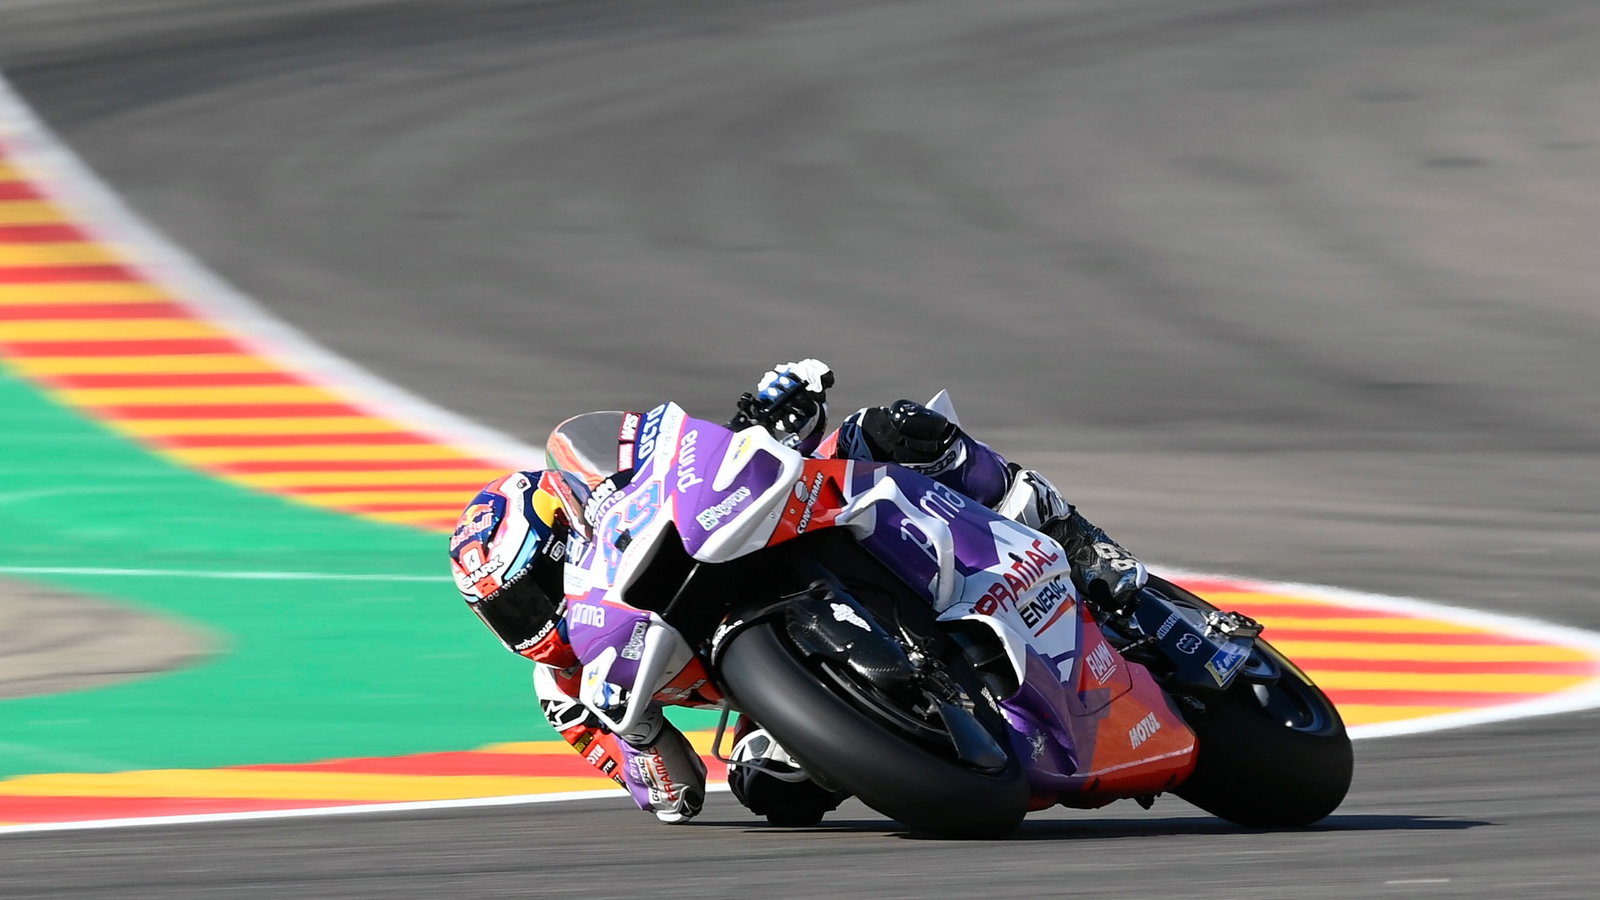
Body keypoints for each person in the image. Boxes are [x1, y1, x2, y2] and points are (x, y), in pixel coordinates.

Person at [447, 360, 1147, 826]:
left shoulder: (612, 501)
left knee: (888, 428)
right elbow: (671, 793)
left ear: (562, 535)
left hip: (775, 538)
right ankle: (910, 738)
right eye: (506, 611)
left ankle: (1074, 535)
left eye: (531, 588)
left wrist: (766, 417)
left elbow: (683, 461)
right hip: (775, 696)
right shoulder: (564, 692)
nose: (529, 617)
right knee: (764, 787)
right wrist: (638, 741)